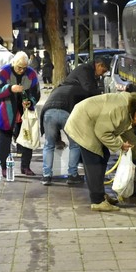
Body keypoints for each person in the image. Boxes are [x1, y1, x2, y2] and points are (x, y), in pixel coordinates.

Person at [65, 92, 136, 212]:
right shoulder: (121, 110)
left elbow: (130, 136)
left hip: (89, 122)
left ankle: (101, 196)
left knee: (104, 155)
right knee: (95, 160)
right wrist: (120, 145)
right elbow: (102, 132)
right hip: (82, 122)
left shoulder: (130, 110)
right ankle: (97, 201)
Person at [40, 57, 111, 186]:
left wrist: (58, 138)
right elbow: (89, 90)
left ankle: (46, 176)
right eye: (103, 70)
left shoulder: (62, 86)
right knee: (75, 144)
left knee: (48, 145)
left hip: (49, 110)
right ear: (99, 64)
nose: (103, 73)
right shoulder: (84, 72)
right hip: (66, 110)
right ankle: (72, 175)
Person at [0, 51, 41, 178]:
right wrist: (9, 88)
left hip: (24, 112)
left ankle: (26, 166)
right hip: (6, 111)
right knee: (4, 140)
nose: (21, 70)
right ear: (13, 63)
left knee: (26, 139)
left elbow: (36, 93)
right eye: (19, 67)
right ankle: (4, 167)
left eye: (24, 68)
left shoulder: (31, 74)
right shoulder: (4, 72)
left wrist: (30, 102)